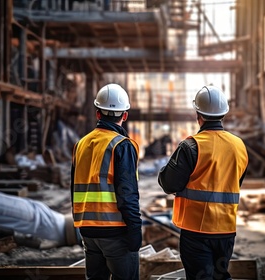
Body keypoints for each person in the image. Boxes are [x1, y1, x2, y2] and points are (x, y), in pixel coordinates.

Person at [158, 85, 249, 279]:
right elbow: (235, 181)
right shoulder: (239, 146)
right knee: (220, 276)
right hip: (226, 230)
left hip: (196, 231)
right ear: (224, 114)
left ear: (198, 114)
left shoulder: (190, 146)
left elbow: (169, 184)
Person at [71, 83, 142, 280]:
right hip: (115, 232)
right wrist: (135, 229)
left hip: (87, 230)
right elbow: (127, 194)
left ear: (97, 114)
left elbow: (73, 189)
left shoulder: (81, 144)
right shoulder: (122, 145)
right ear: (125, 115)